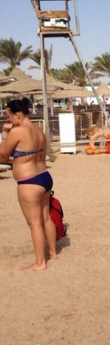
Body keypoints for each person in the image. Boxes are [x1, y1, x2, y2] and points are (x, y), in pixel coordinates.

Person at [0, 98, 57, 270]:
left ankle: (40, 262)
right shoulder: (38, 129)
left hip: (28, 181)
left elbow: (2, 155)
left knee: (34, 223)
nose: (8, 119)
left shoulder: (17, 131)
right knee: (46, 217)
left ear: (17, 114)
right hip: (44, 176)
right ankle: (53, 252)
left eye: (9, 115)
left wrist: (4, 134)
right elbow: (40, 155)